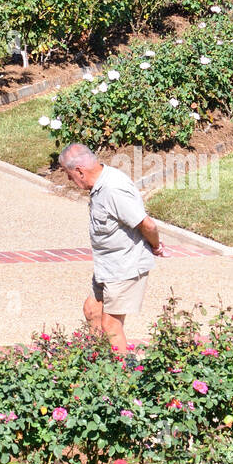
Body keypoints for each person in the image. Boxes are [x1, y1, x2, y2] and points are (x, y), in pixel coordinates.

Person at [59, 142, 164, 355]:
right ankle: (99, 363)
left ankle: (122, 380)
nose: (68, 179)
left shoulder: (113, 189)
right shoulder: (100, 185)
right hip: (107, 265)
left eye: (68, 174)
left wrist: (156, 245)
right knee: (92, 310)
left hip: (124, 266)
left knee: (111, 326)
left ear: (79, 171)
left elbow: (148, 224)